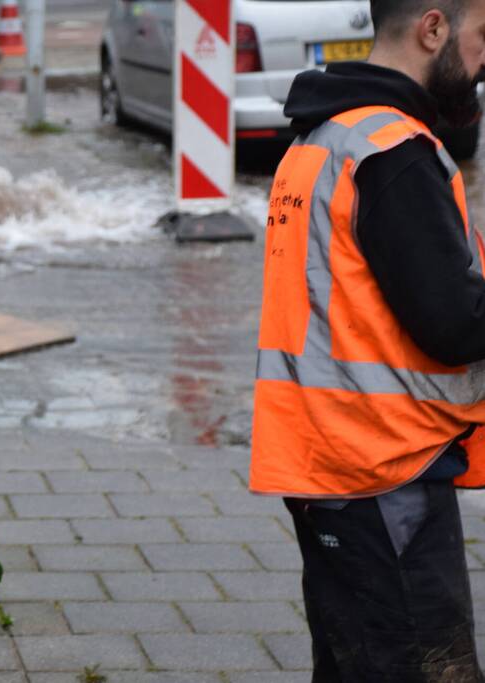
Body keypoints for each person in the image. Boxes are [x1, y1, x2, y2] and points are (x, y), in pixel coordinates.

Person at [250, 0, 485, 679]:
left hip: (326, 458)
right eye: (480, 36)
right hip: (385, 467)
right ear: (432, 29)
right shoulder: (395, 154)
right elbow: (452, 324)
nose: (481, 59)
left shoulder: (318, 138)